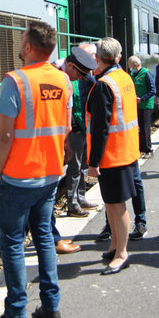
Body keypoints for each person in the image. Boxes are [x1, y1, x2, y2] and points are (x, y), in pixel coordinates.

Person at [0, 22, 71, 318]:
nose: (19, 45)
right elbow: (66, 127)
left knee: (14, 244)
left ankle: (16, 316)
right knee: (44, 237)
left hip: (18, 177)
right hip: (50, 174)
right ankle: (51, 308)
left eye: (21, 41)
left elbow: (5, 134)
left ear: (29, 47)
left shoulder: (15, 81)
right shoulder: (64, 80)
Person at [87, 38, 140, 274]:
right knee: (112, 203)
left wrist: (93, 163)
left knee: (116, 207)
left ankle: (122, 253)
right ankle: (114, 244)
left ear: (97, 58)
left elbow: (100, 128)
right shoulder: (124, 78)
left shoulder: (103, 85)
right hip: (126, 150)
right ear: (119, 57)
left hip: (112, 154)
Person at [59, 44, 99, 217]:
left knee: (82, 166)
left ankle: (81, 197)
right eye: (80, 74)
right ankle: (73, 204)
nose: (82, 78)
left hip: (83, 126)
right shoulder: (61, 75)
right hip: (73, 129)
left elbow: (94, 87)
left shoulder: (83, 76)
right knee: (74, 169)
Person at [127, 56, 155, 158]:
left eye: (130, 65)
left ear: (135, 64)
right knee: (138, 128)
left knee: (145, 128)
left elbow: (153, 90)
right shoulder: (133, 74)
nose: (129, 67)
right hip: (136, 106)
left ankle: (148, 149)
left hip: (146, 105)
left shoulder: (146, 73)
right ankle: (141, 149)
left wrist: (142, 99)